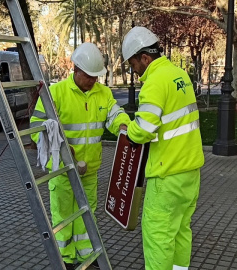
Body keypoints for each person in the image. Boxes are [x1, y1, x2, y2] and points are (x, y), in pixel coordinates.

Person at [30, 42, 131, 270]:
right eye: (89, 76)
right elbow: (36, 126)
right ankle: (66, 260)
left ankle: (88, 257)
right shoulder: (55, 93)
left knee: (87, 215)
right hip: (62, 169)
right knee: (64, 216)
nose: (94, 80)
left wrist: (124, 126)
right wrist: (62, 147)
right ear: (75, 70)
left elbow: (115, 115)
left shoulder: (103, 93)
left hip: (90, 170)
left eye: (96, 76)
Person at [121, 26, 205, 270]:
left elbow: (144, 130)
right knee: (180, 231)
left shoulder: (155, 82)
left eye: (133, 64)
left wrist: (129, 130)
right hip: (190, 172)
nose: (133, 70)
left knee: (158, 237)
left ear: (145, 58)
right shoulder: (178, 74)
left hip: (166, 173)